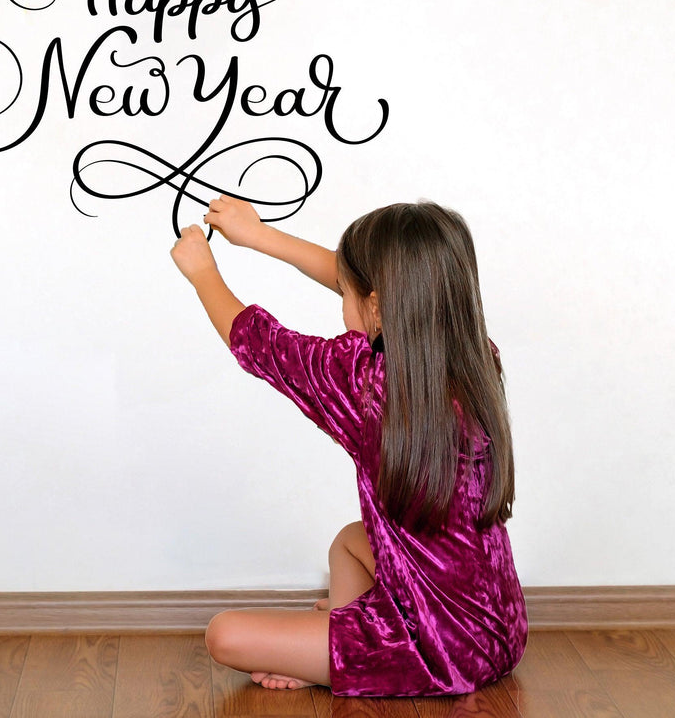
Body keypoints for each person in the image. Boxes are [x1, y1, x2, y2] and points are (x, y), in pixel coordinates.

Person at [168, 196, 528, 697]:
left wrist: (203, 272)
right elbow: (361, 281)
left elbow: (258, 342)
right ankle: (338, 645)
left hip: (438, 653)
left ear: (378, 307)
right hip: (500, 631)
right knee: (347, 542)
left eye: (345, 292)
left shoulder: (362, 383)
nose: (340, 297)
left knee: (224, 635)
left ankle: (341, 661)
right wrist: (258, 236)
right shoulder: (474, 359)